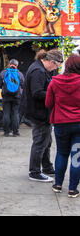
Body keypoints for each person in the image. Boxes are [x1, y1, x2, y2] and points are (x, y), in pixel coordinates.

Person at [24, 49, 63, 182]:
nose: (55, 69)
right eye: (56, 66)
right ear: (52, 62)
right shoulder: (38, 71)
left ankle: (46, 166)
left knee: (46, 141)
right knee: (40, 141)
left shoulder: (39, 68)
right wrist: (55, 95)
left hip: (42, 112)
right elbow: (37, 92)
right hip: (38, 112)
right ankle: (34, 171)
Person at [45, 54, 80, 198]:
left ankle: (57, 185)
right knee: (76, 156)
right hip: (78, 124)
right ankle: (72, 189)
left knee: (61, 153)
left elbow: (48, 104)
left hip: (60, 123)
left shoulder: (55, 81)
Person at [0, 59, 25, 137]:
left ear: (9, 64)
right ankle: (15, 132)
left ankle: (6, 132)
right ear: (17, 65)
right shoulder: (19, 74)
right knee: (15, 113)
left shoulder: (3, 73)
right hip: (17, 96)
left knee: (6, 113)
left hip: (6, 96)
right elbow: (23, 85)